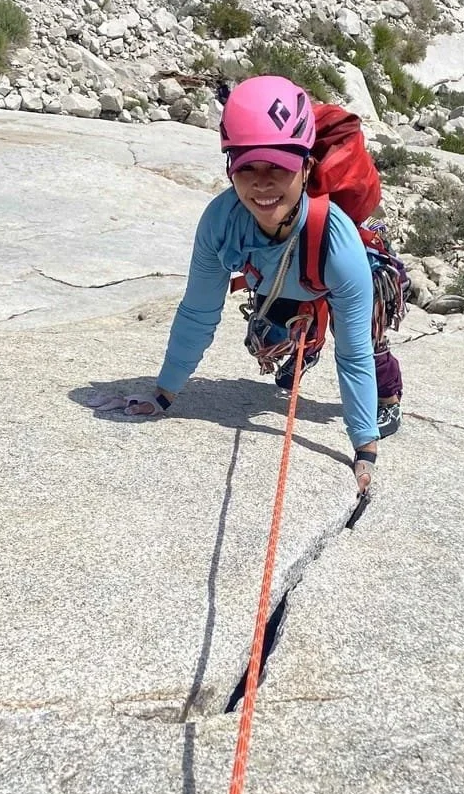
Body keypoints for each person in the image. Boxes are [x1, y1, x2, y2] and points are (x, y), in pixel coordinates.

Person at [91, 75, 404, 493]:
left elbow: (352, 356)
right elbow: (198, 312)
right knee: (271, 336)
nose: (262, 183)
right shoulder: (220, 223)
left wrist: (364, 448)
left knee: (367, 336)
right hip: (287, 279)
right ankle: (305, 343)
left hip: (339, 269)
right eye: (247, 168)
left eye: (279, 167)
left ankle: (388, 398)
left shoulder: (338, 240)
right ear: (229, 169)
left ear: (306, 166)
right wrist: (163, 393)